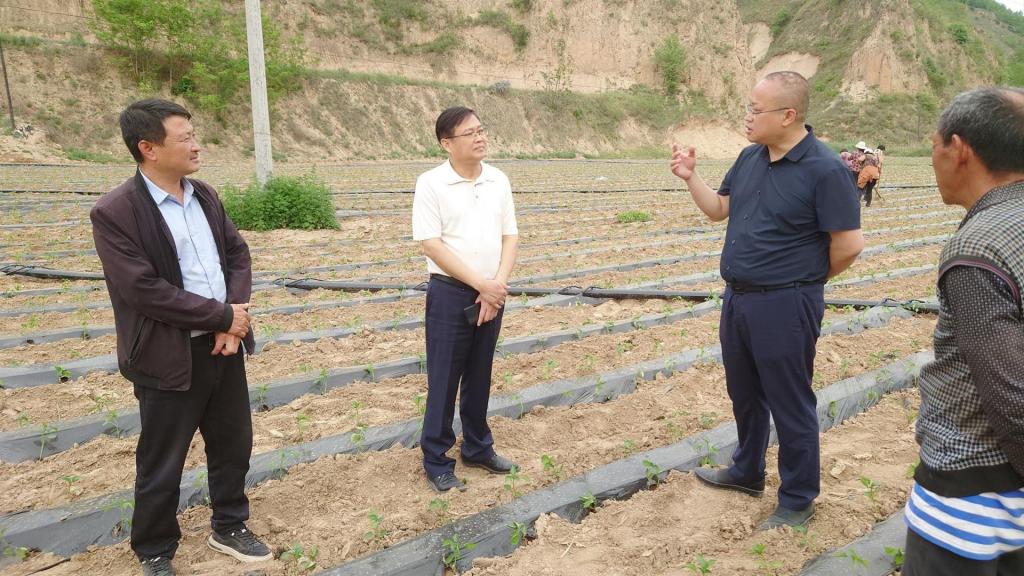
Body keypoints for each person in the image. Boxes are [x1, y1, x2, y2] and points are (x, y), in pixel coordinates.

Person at [670, 71, 863, 530]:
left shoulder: (825, 168)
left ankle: (797, 498)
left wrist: (804, 281)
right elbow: (719, 209)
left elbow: (849, 245)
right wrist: (690, 178)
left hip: (786, 304)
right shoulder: (750, 157)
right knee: (745, 392)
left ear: (788, 115)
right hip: (738, 299)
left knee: (789, 401)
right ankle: (747, 471)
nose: (748, 116)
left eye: (756, 109)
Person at [90, 99, 272, 576]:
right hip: (166, 354)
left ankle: (229, 524)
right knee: (163, 458)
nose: (196, 145)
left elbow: (237, 255)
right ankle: (154, 548)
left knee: (233, 442)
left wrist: (232, 320)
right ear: (148, 148)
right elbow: (144, 290)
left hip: (223, 344)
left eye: (194, 135)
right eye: (185, 138)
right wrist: (223, 316)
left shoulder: (204, 194)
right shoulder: (116, 211)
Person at [903, 86, 1024, 576]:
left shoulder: (979, 247)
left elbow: (1013, 398)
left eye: (933, 144)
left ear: (959, 149)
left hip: (974, 496)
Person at [412, 106, 520, 493]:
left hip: (492, 292)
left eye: (481, 130)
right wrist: (481, 285)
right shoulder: (431, 183)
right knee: (444, 378)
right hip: (450, 293)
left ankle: (477, 447)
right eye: (469, 133)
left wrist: (497, 285)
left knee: (480, 374)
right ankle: (436, 458)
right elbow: (432, 245)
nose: (480, 137)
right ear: (446, 143)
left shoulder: (497, 180)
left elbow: (510, 236)